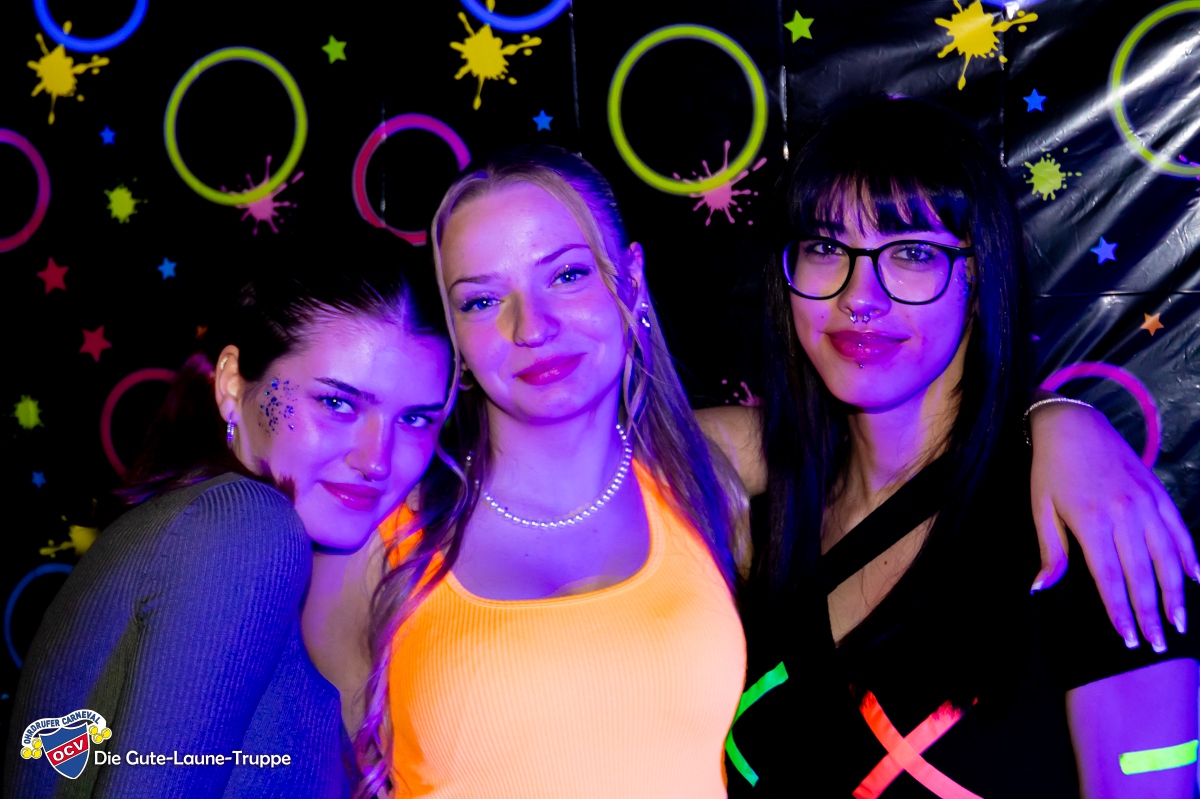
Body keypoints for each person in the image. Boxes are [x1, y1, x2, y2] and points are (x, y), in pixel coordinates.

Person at [353, 145, 1194, 799]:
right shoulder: (388, 526)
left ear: (631, 280)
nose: (530, 325)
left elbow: (925, 442)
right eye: (479, 298)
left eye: (569, 274)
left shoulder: (705, 471)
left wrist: (1061, 421)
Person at [724, 97, 1199, 798]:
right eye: (825, 247)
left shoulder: (1090, 533)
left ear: (980, 281)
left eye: (913, 253)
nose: (860, 297)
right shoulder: (758, 522)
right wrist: (1059, 414)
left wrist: (1057, 418)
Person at [6, 244, 453, 799]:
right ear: (232, 383)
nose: (377, 460)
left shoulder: (202, 528)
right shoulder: (245, 527)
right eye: (337, 404)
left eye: (415, 420)